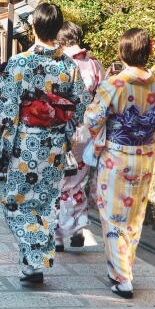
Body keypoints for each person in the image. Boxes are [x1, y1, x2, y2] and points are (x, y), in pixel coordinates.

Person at [0, 2, 91, 283]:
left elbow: (2, 102)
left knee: (17, 203)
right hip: (55, 145)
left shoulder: (21, 62)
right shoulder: (68, 65)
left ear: (33, 26)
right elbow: (81, 103)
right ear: (58, 28)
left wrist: (5, 138)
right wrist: (65, 129)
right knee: (45, 203)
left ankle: (33, 260)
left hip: (26, 142)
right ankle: (33, 263)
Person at [84, 28, 155, 299]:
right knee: (135, 217)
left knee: (113, 216)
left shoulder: (114, 85)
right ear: (149, 52)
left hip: (117, 157)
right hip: (144, 156)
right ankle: (125, 268)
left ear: (122, 52)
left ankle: (122, 277)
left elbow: (92, 119)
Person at [54, 21, 105, 252]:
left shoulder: (59, 63)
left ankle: (57, 234)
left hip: (61, 129)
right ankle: (78, 227)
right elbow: (103, 97)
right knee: (78, 181)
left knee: (59, 182)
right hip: (86, 131)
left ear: (61, 42)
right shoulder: (94, 64)